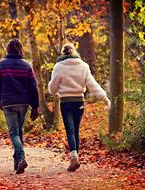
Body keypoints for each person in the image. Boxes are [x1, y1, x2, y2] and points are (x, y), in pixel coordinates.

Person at [48, 43, 111, 172]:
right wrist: (105, 98)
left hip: (66, 102)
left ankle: (74, 158)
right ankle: (76, 157)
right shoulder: (83, 66)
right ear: (74, 51)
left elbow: (52, 88)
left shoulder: (58, 66)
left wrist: (56, 93)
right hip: (79, 102)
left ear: (63, 53)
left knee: (70, 130)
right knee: (75, 129)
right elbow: (92, 84)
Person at [0, 38, 39, 174]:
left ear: (7, 49)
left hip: (8, 102)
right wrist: (35, 106)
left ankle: (21, 158)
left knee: (14, 133)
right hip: (23, 103)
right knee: (19, 132)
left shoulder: (1, 65)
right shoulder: (26, 65)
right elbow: (33, 87)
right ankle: (17, 161)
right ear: (20, 49)